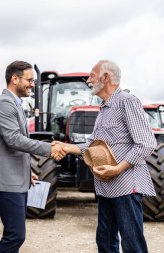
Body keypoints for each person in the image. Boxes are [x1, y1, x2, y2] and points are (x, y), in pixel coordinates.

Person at [53, 60, 156, 253]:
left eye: (92, 75)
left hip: (126, 186)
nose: (88, 80)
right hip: (106, 186)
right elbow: (93, 147)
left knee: (132, 244)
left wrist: (118, 168)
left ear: (106, 77)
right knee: (105, 242)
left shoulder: (127, 101)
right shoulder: (103, 108)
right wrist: (66, 146)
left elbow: (146, 143)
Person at [0, 60, 65, 253]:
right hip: (7, 182)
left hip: (16, 179)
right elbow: (14, 140)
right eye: (29, 80)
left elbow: (15, 147)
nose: (32, 84)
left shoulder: (15, 104)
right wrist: (49, 149)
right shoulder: (4, 104)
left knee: (15, 235)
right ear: (14, 79)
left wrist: (27, 172)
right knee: (15, 236)